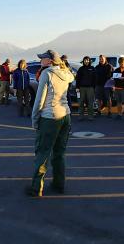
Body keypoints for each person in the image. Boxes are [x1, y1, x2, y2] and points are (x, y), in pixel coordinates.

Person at [27, 50, 74, 197]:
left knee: (43, 153)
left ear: (49, 61)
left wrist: (35, 120)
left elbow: (39, 101)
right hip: (66, 115)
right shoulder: (66, 73)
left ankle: (36, 188)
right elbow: (71, 76)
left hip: (50, 117)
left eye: (43, 58)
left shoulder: (47, 74)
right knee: (59, 153)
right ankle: (59, 184)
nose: (41, 61)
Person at [75, 56, 96, 121]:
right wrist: (77, 87)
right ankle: (81, 116)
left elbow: (95, 79)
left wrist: (93, 87)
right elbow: (77, 79)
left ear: (89, 61)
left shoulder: (92, 68)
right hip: (81, 88)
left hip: (90, 88)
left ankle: (90, 116)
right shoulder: (81, 69)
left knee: (90, 103)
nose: (86, 61)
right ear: (83, 61)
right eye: (85, 60)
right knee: (81, 102)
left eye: (87, 60)